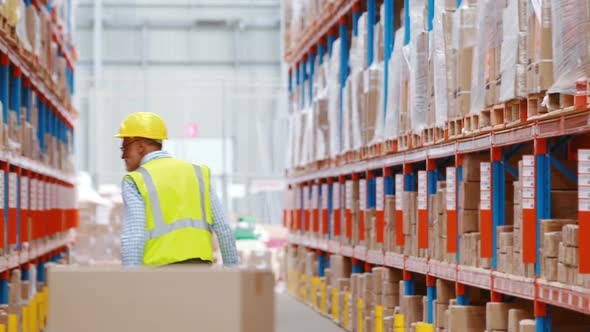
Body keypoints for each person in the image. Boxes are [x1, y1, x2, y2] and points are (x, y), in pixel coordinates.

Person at [115, 112, 239, 266]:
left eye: (124, 147)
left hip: (159, 276)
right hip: (200, 273)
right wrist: (232, 271)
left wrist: (130, 283)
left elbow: (134, 237)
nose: (123, 156)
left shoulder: (136, 180)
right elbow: (224, 229)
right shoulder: (198, 173)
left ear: (140, 146)